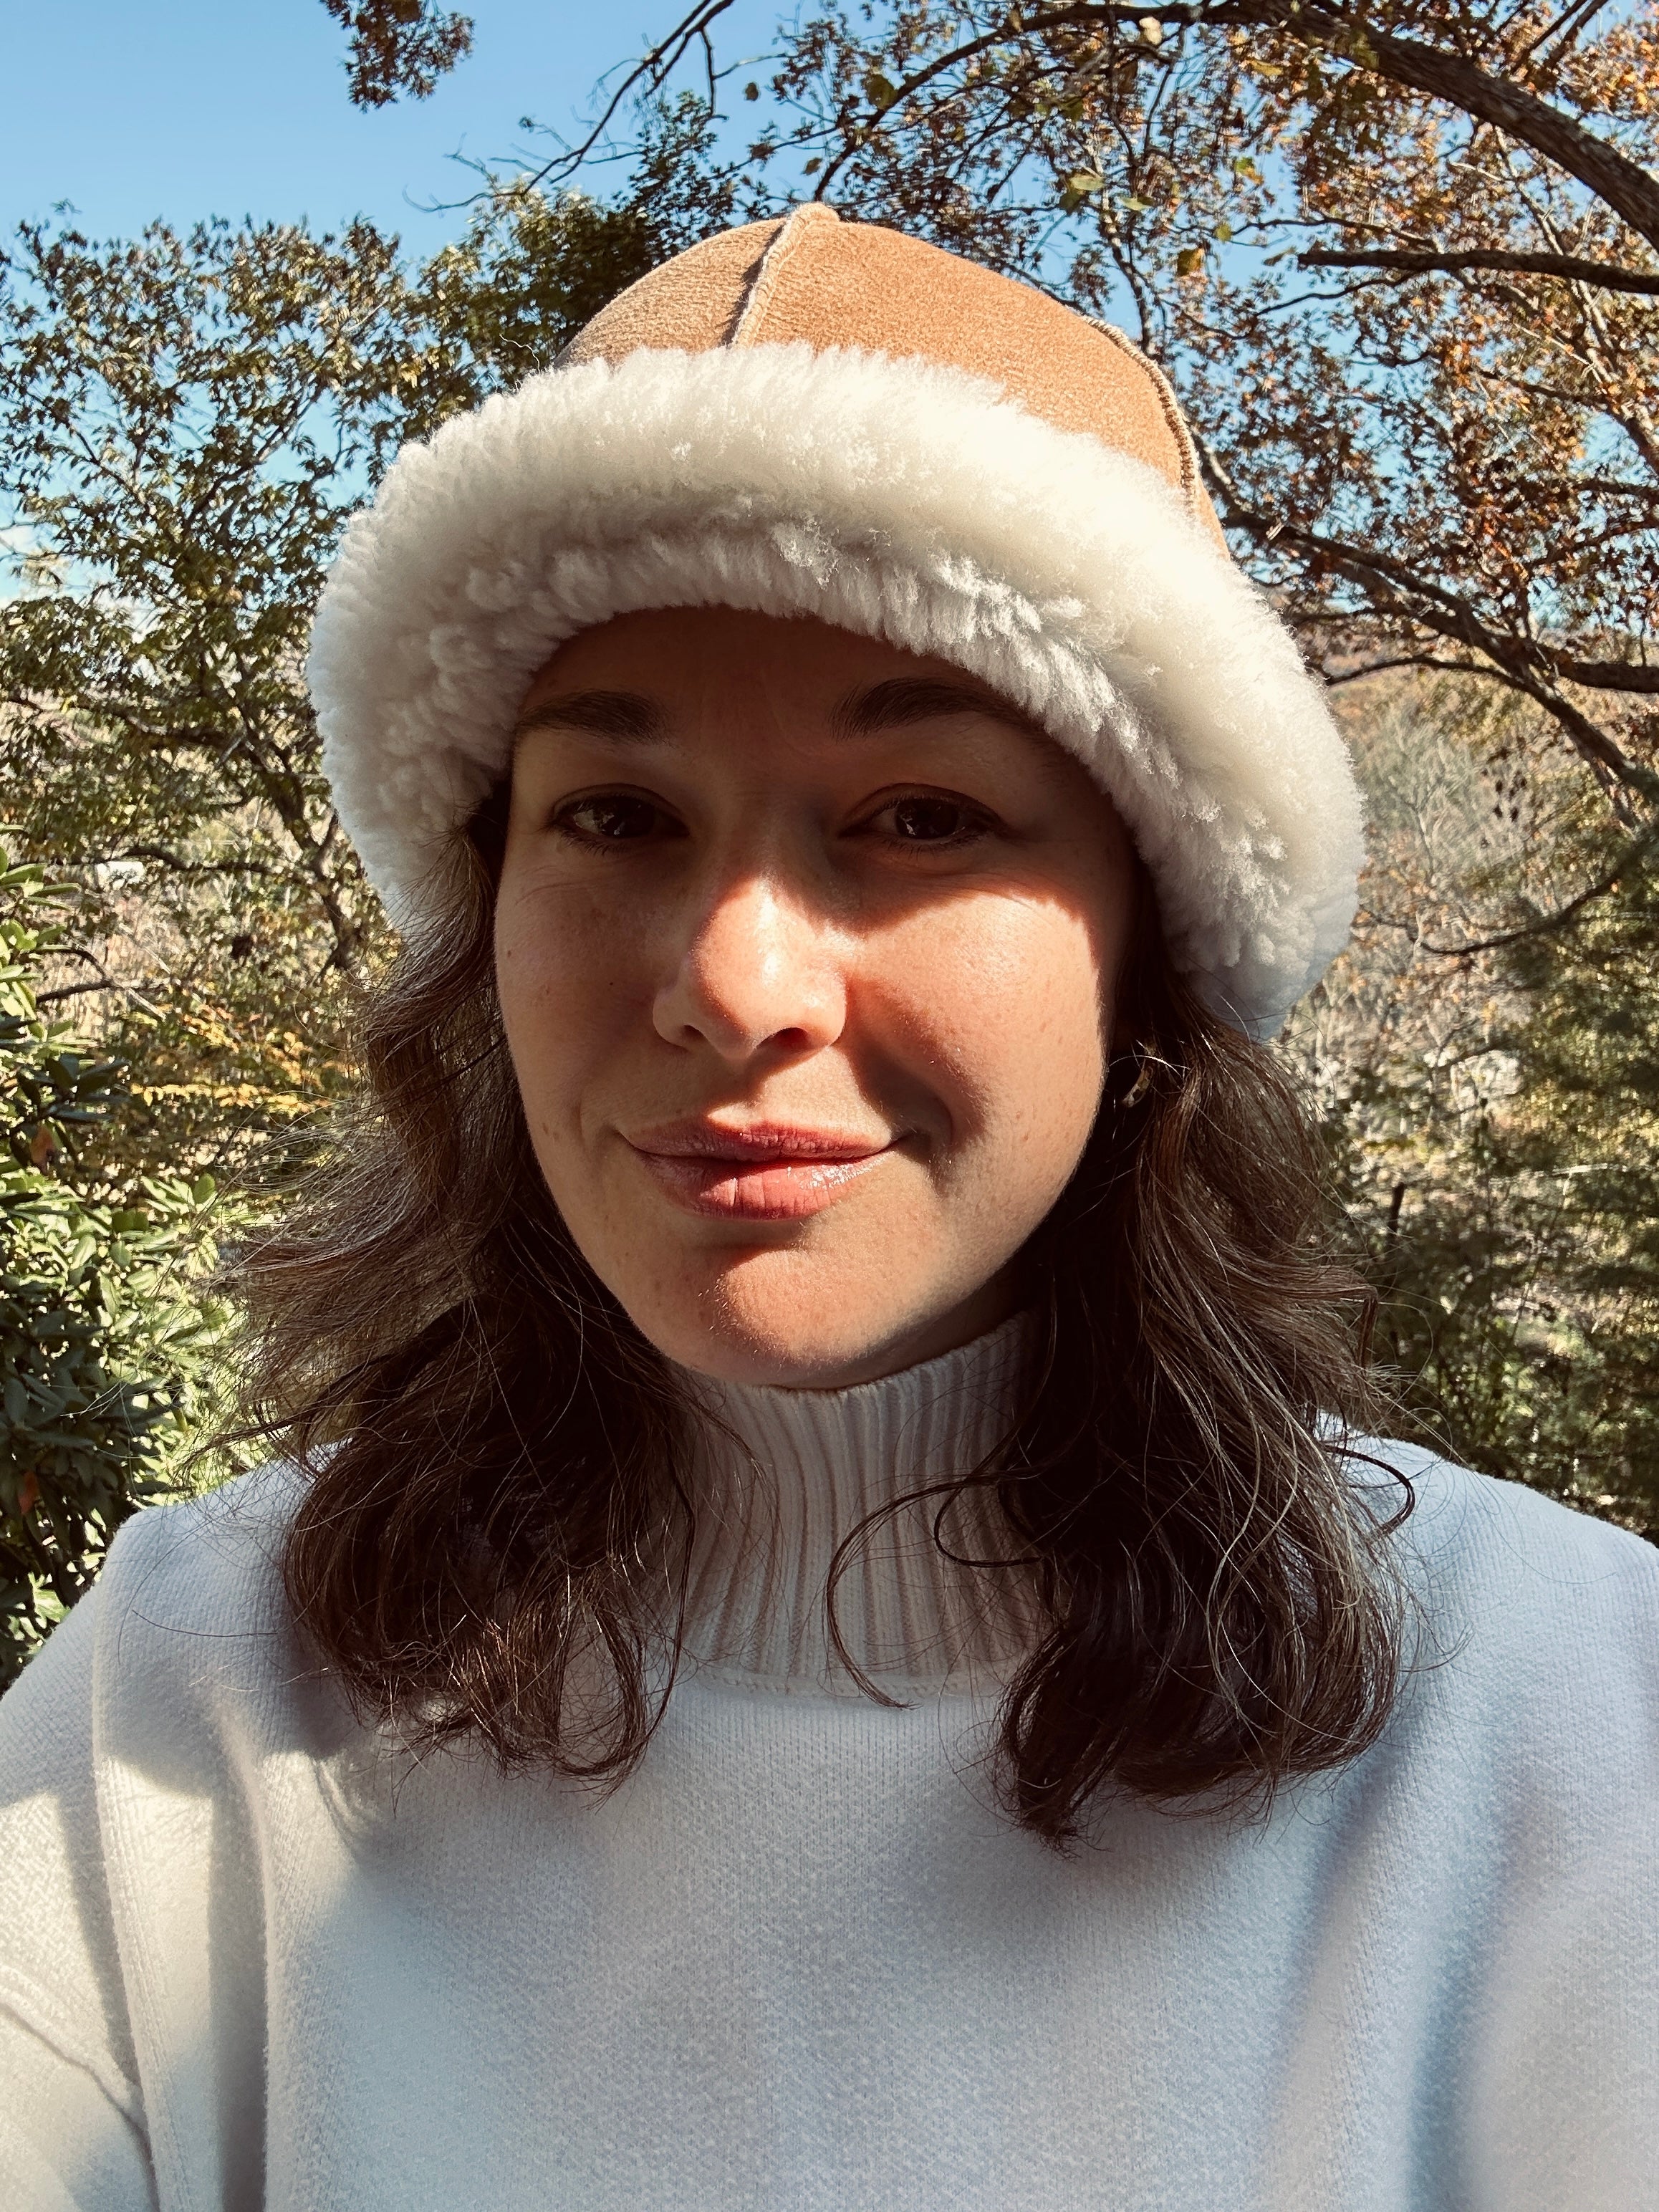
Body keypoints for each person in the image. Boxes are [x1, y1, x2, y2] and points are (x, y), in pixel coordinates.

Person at [0, 205, 1653, 2211]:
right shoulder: (172, 1730)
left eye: (918, 820)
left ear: (1151, 953)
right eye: (615, 815)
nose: (734, 981)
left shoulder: (1572, 1734)